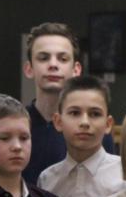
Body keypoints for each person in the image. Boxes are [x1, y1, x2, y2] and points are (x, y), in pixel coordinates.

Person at [22, 22, 115, 184]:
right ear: (29, 69)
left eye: (63, 59)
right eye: (43, 58)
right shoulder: (17, 127)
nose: (53, 65)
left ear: (76, 70)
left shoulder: (94, 130)